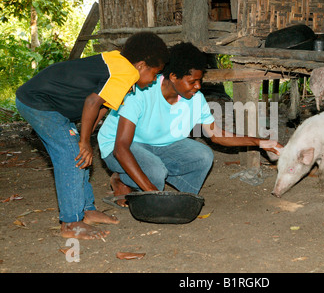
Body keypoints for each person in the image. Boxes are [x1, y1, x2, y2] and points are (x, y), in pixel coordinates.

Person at [15, 32, 169, 240]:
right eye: (155, 72)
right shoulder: (126, 72)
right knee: (73, 157)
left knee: (79, 153)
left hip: (44, 101)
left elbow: (102, 107)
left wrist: (83, 138)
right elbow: (91, 102)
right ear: (141, 65)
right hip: (39, 102)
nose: (153, 80)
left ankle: (86, 210)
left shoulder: (120, 65)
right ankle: (71, 223)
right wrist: (85, 141)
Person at [97, 42, 282, 207]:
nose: (198, 86)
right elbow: (121, 148)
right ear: (173, 76)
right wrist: (156, 195)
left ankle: (181, 196)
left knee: (203, 156)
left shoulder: (195, 99)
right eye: (192, 81)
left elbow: (217, 135)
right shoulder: (142, 91)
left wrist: (261, 143)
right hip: (119, 146)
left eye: (200, 81)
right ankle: (122, 180)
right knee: (155, 172)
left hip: (158, 145)